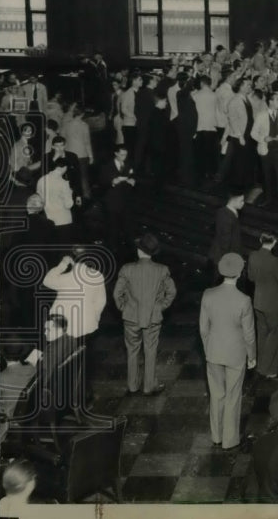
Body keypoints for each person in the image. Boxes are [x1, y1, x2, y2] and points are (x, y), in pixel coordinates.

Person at [200, 253, 257, 451]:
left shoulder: (208, 294)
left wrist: (208, 349)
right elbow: (249, 334)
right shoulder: (244, 300)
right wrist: (252, 356)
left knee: (216, 394)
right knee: (233, 395)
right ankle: (229, 439)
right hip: (236, 354)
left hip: (213, 352)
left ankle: (216, 436)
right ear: (240, 273)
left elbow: (203, 329)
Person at [113, 233, 177, 396]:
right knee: (151, 350)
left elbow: (117, 294)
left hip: (131, 317)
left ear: (139, 251)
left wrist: (124, 308)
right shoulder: (162, 270)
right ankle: (149, 386)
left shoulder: (127, 269)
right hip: (153, 318)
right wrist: (160, 307)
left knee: (132, 351)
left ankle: (132, 386)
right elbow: (172, 292)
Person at [248, 233, 278, 379]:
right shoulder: (274, 260)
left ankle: (260, 365)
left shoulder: (252, 256)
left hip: (258, 302)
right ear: (274, 243)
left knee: (262, 334)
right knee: (274, 335)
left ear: (260, 240)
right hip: (273, 304)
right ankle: (269, 370)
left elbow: (251, 277)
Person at [99, 144, 136, 253]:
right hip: (112, 201)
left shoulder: (129, 164)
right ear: (116, 154)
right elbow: (101, 182)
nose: (124, 157)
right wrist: (112, 182)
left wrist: (133, 181)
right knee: (112, 228)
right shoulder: (107, 166)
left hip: (125, 201)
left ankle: (128, 250)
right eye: (122, 155)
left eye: (126, 155)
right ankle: (112, 250)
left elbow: (133, 175)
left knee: (127, 226)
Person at [35, 158, 74, 244]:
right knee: (63, 247)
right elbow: (69, 204)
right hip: (63, 220)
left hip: (47, 219)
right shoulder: (63, 183)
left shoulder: (41, 180)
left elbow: (38, 198)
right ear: (64, 168)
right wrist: (70, 192)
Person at [208, 192, 245, 280]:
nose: (243, 203)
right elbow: (225, 241)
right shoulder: (228, 217)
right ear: (234, 201)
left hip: (222, 256)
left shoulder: (224, 211)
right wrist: (230, 261)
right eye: (241, 201)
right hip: (224, 257)